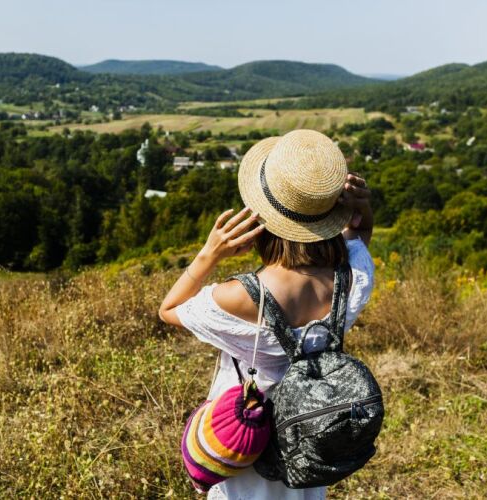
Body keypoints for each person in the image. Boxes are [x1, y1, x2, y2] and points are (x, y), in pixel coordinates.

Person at [159, 130, 375, 499]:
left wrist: (209, 254)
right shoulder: (350, 278)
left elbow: (168, 310)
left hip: (249, 437)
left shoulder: (242, 296)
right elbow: (358, 240)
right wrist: (363, 211)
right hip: (310, 432)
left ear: (262, 220)